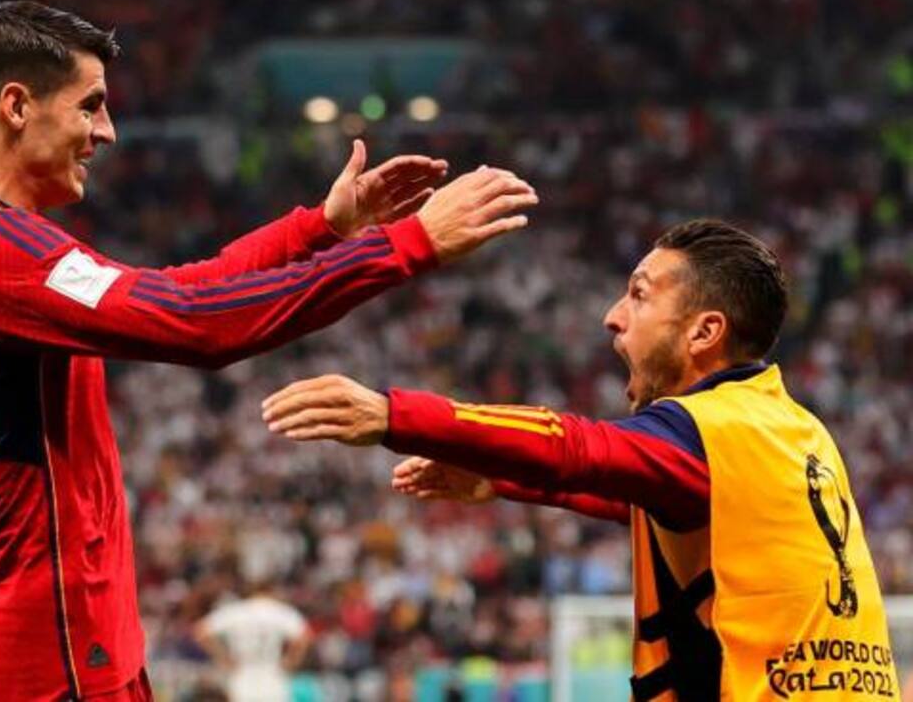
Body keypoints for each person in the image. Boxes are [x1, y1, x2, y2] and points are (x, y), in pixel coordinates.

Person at [0, 0, 538, 701]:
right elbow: (198, 324)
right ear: (17, 106)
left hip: (64, 641)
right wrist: (409, 244)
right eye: (90, 106)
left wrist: (321, 230)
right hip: (47, 660)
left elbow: (179, 291)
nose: (106, 132)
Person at [262, 219, 900, 700]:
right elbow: (654, 499)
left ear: (705, 332)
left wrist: (394, 416)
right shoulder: (793, 430)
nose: (612, 317)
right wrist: (504, 482)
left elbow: (576, 449)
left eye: (639, 296)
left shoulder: (706, 429)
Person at [194, 582, 312, 702]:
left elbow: (201, 631)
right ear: (270, 592)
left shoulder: (236, 611)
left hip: (243, 673)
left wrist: (223, 658)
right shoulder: (279, 611)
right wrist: (291, 661)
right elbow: (304, 636)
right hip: (272, 673)